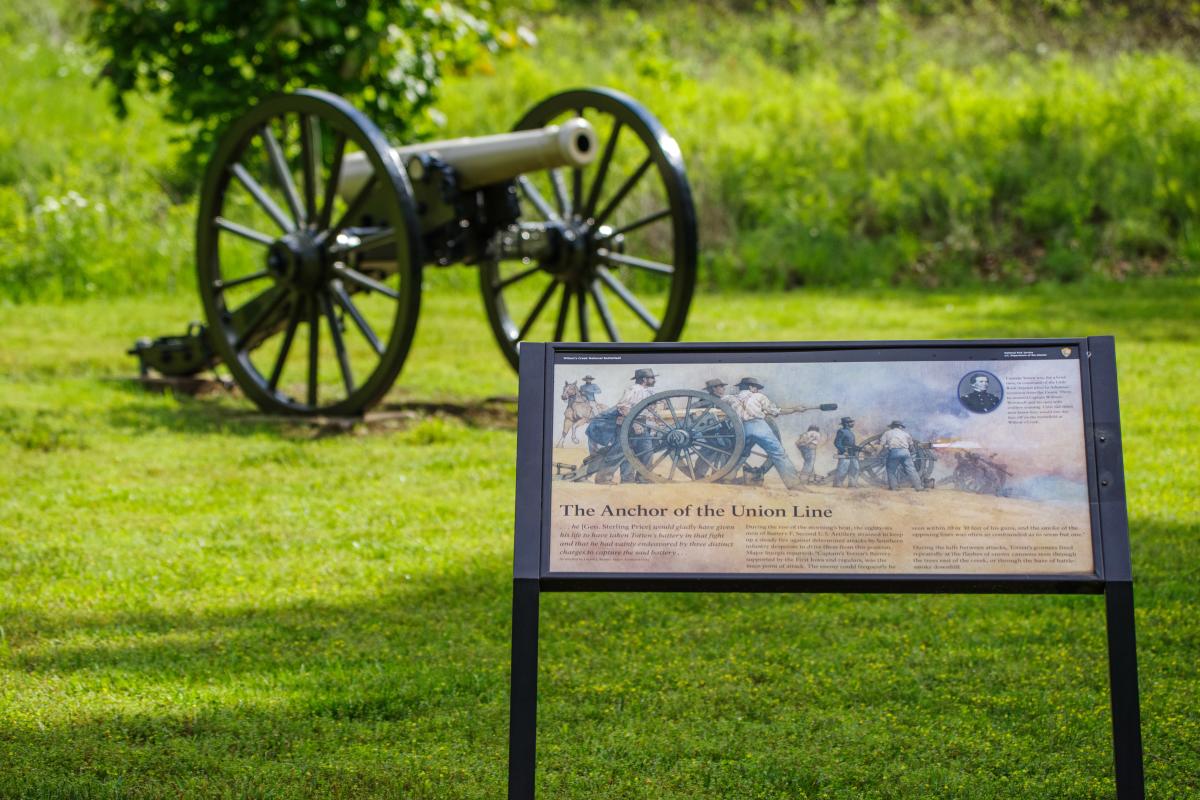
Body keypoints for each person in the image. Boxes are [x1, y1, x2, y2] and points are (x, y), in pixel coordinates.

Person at [727, 376, 806, 492]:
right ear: (751, 387)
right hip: (759, 427)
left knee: (741, 453)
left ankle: (728, 477)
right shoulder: (759, 397)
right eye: (756, 388)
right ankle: (794, 485)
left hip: (741, 429)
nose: (757, 390)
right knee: (778, 454)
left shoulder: (731, 399)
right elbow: (774, 411)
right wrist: (795, 409)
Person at [588, 368, 659, 483]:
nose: (654, 380)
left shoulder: (648, 391)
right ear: (644, 379)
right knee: (619, 452)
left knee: (646, 451)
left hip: (641, 423)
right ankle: (603, 478)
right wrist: (634, 422)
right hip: (628, 424)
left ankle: (642, 478)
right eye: (652, 378)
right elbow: (623, 407)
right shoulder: (633, 390)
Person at [880, 420, 924, 491]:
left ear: (892, 426)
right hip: (905, 452)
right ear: (900, 427)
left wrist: (881, 452)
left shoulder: (887, 433)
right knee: (911, 470)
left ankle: (894, 487)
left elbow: (882, 444)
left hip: (894, 452)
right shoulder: (906, 434)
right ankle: (918, 487)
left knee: (891, 471)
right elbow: (911, 446)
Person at [832, 416, 860, 488]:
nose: (852, 423)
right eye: (851, 422)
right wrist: (843, 451)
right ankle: (837, 485)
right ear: (846, 424)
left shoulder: (850, 432)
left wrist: (859, 448)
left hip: (852, 453)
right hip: (845, 453)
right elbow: (837, 443)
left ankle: (852, 485)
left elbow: (852, 445)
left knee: (855, 468)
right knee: (842, 469)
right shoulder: (841, 431)